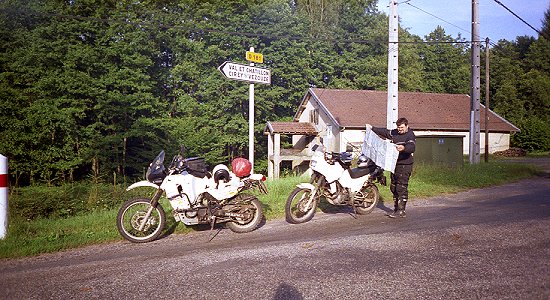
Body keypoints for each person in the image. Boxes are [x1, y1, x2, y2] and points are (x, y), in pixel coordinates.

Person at [366, 117, 416, 218]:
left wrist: (404, 148)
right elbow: (385, 132)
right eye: (398, 128)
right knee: (393, 187)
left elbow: (412, 147)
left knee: (401, 187)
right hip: (394, 164)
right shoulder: (395, 132)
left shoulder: (410, 135)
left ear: (407, 126)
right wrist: (373, 128)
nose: (400, 130)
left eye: (402, 127)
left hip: (405, 165)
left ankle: (401, 211)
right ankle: (396, 209)